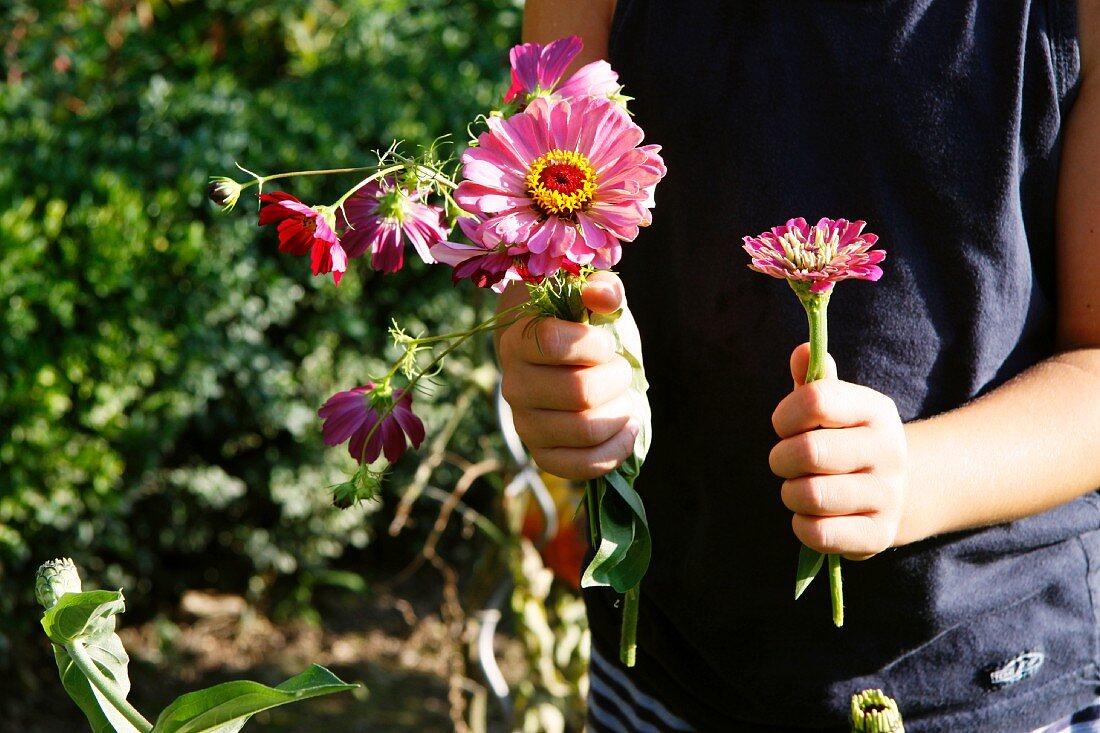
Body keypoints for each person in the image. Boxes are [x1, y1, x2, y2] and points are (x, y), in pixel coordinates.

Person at [497, 0, 1100, 731]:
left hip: (988, 672)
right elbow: (536, 226)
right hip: (672, 663)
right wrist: (545, 352)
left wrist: (915, 476)